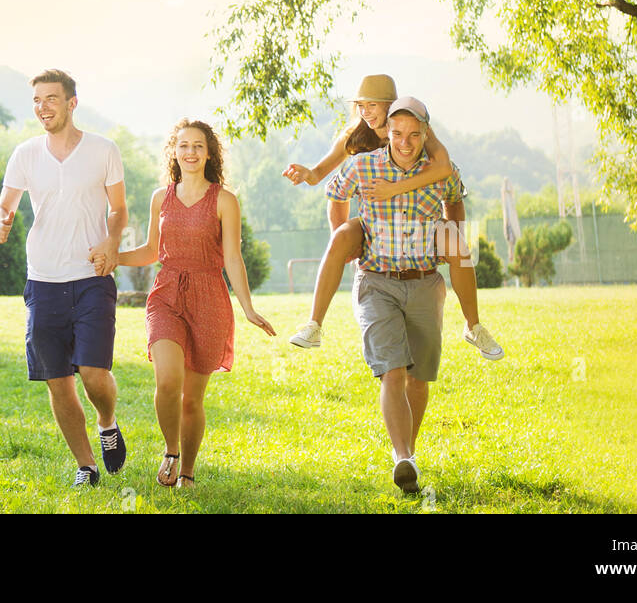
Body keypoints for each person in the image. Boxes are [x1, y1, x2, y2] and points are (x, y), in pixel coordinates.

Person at [283, 74, 502, 362]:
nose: (366, 112)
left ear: (391, 105)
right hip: (373, 222)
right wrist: (309, 179)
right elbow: (326, 181)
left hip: (416, 221)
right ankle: (314, 325)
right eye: (361, 105)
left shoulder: (414, 129)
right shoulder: (354, 136)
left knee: (455, 242)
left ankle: (473, 326)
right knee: (341, 238)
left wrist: (397, 192)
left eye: (372, 105)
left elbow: (444, 169)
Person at [108, 119, 274, 489]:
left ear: (209, 152)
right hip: (166, 293)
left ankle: (187, 472)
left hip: (209, 298)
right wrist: (113, 257)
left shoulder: (224, 200)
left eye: (198, 146)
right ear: (174, 151)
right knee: (168, 382)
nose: (190, 152)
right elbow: (152, 250)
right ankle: (171, 450)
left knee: (192, 401)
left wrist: (247, 307)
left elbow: (233, 257)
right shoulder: (160, 198)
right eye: (183, 145)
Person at [0, 69, 129, 488]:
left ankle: (107, 422)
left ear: (71, 103)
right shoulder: (26, 154)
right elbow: (5, 205)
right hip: (43, 280)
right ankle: (86, 465)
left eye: (51, 99)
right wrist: (0, 219)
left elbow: (119, 210)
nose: (42, 107)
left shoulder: (104, 150)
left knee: (92, 372)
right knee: (57, 380)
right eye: (36, 100)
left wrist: (111, 240)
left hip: (91, 275)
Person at [329, 96, 465, 494]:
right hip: (376, 280)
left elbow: (456, 201)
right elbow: (334, 192)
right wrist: (346, 237)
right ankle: (402, 456)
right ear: (386, 131)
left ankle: (410, 453)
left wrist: (451, 237)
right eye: (397, 133)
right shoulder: (364, 164)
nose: (405, 142)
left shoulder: (441, 171)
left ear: (426, 135)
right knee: (392, 370)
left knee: (418, 379)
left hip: (424, 281)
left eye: (414, 134)